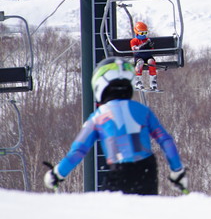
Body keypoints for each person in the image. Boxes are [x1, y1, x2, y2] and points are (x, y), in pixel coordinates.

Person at [43, 57, 188, 195]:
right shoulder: (143, 111)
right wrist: (177, 171)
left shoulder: (98, 117)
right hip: (147, 171)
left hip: (118, 172)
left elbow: (79, 150)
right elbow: (165, 140)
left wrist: (58, 173)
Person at [130, 21, 157, 90]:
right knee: (140, 63)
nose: (143, 35)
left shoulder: (148, 40)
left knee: (151, 62)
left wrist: (149, 46)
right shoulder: (134, 41)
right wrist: (141, 47)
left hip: (147, 56)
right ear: (137, 32)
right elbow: (134, 49)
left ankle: (153, 81)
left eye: (145, 33)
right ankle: (138, 81)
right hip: (139, 56)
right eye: (142, 33)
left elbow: (151, 48)